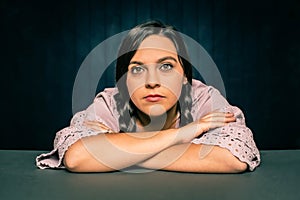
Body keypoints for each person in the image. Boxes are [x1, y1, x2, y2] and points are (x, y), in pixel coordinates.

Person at [36, 20, 260, 173]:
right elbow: (77, 158)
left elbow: (232, 159)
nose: (152, 81)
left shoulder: (204, 98)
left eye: (166, 66)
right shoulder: (109, 102)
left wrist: (117, 154)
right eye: (137, 69)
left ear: (185, 76)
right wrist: (183, 134)